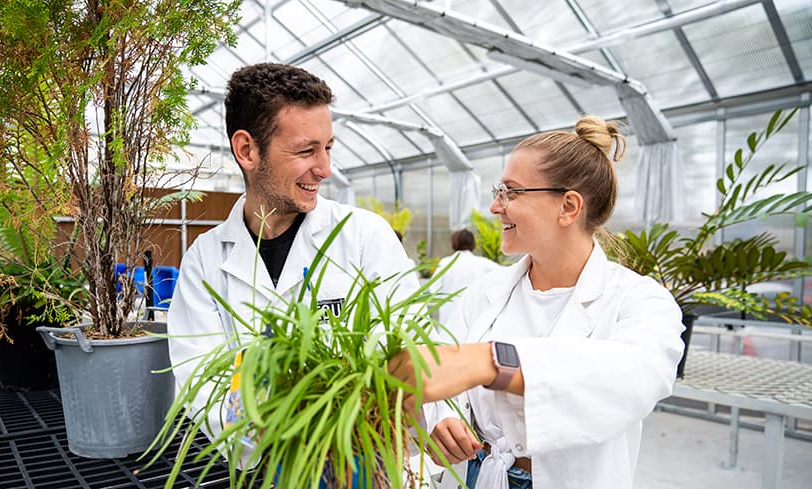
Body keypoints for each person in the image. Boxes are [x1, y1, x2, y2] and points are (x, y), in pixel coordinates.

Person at [388, 116, 685, 489]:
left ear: (568, 207)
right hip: (477, 474)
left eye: (511, 192)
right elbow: (451, 388)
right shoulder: (486, 291)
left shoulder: (640, 301)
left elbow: (630, 380)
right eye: (499, 191)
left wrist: (492, 361)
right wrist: (443, 420)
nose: (496, 207)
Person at [167, 63, 419, 482]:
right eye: (306, 151)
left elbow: (411, 341)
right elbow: (199, 381)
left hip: (362, 465)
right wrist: (283, 439)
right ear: (247, 151)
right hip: (260, 470)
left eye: (328, 148)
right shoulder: (205, 260)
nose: (324, 168)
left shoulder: (362, 236)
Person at [432, 229, 501, 326]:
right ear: (473, 244)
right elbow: (505, 274)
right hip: (474, 314)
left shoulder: (445, 263)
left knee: (448, 339)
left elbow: (433, 288)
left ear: (454, 243)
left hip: (448, 315)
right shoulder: (482, 263)